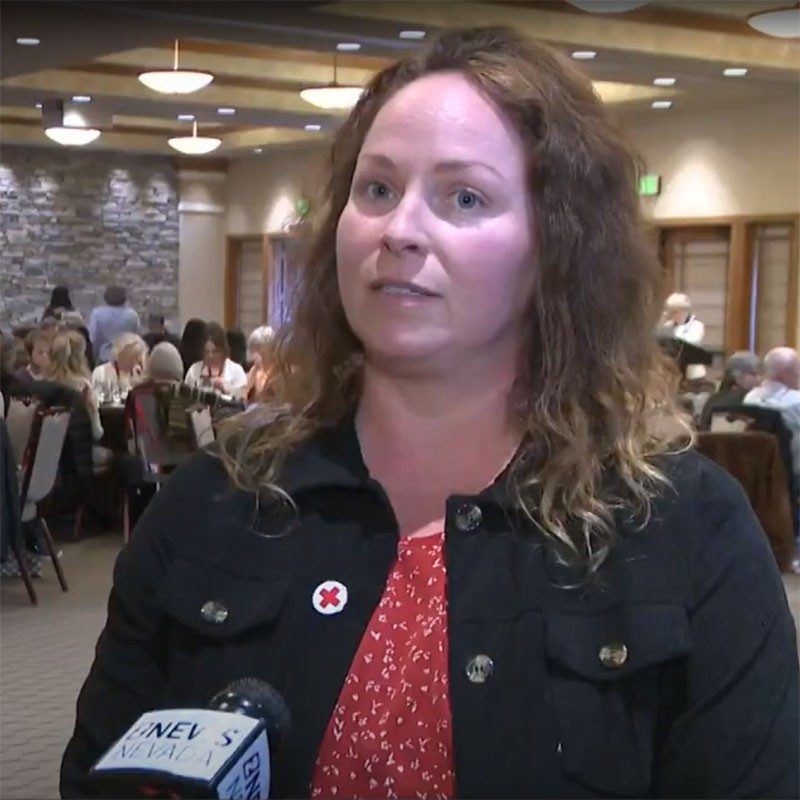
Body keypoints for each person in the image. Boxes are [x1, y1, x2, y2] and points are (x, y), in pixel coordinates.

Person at [61, 27, 798, 800]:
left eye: (465, 197)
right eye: (376, 189)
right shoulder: (212, 503)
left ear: (556, 248)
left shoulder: (687, 534)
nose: (400, 230)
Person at [745, 347, 800, 480]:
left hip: (754, 474)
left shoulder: (749, 398)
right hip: (792, 476)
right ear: (787, 374)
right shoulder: (796, 401)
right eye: (798, 369)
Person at [47, 331, 103, 443]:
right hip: (78, 450)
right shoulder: (83, 387)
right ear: (80, 356)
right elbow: (97, 433)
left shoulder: (42, 384)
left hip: (50, 448)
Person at [699, 351, 762, 430]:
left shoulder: (712, 399)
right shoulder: (750, 400)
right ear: (738, 375)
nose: (759, 379)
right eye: (754, 374)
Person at [184, 322, 247, 398]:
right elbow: (185, 398)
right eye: (207, 352)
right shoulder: (194, 371)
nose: (211, 356)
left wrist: (225, 388)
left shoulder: (236, 370)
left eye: (215, 351)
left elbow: (243, 397)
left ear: (223, 350)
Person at [87, 285, 140, 365]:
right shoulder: (132, 315)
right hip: (126, 357)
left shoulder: (97, 314)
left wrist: (93, 357)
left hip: (105, 356)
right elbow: (136, 337)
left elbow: (94, 337)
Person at [661, 292, 706, 380]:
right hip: (673, 370)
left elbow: (693, 340)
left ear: (682, 311)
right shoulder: (669, 325)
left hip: (692, 372)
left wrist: (676, 331)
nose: (671, 315)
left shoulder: (696, 325)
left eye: (674, 312)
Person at [90, 333, 147, 401]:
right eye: (131, 356)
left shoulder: (141, 374)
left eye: (137, 357)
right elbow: (95, 398)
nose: (134, 361)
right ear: (119, 354)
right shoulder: (101, 372)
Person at [244, 324, 276, 402]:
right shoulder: (254, 370)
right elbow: (245, 396)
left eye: (259, 351)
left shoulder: (278, 372)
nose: (255, 356)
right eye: (253, 351)